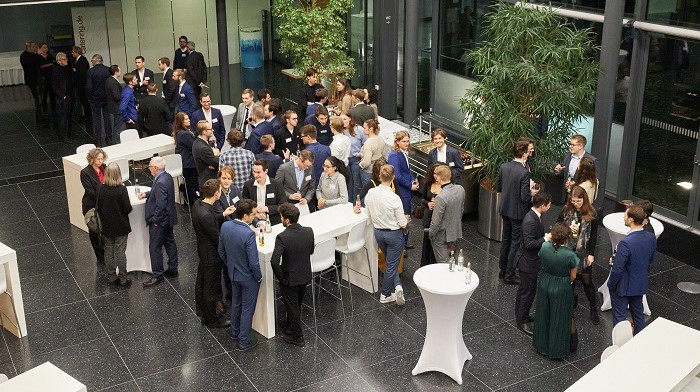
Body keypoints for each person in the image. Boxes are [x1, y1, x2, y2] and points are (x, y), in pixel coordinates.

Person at [359, 164, 407, 305]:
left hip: (378, 233)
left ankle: (397, 286)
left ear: (379, 177)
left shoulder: (371, 193)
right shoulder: (394, 198)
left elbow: (368, 213)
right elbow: (402, 223)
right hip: (394, 235)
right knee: (392, 264)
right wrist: (406, 221)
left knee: (389, 261)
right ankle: (385, 295)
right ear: (393, 178)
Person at [218, 199, 262, 351]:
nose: (255, 217)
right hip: (248, 277)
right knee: (247, 309)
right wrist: (258, 276)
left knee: (236, 304)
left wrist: (231, 265)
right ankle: (244, 341)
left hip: (233, 274)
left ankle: (234, 332)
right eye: (253, 214)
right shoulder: (248, 234)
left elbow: (221, 251)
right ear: (245, 216)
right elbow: (254, 262)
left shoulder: (225, 226)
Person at [193, 179, 235, 328]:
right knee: (211, 288)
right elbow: (216, 237)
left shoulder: (198, 205)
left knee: (202, 284)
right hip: (211, 255)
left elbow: (210, 220)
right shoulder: (206, 215)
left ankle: (204, 313)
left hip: (203, 252)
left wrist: (223, 214)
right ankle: (213, 319)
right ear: (217, 193)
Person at [532, 222, 579, 360]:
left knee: (543, 314)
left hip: (545, 281)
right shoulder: (569, 254)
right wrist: (567, 281)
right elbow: (574, 275)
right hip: (561, 285)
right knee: (560, 317)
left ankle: (541, 345)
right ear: (566, 238)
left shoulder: (545, 247)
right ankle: (556, 350)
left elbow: (541, 258)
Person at [271, 203, 314, 347]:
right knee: (297, 304)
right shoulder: (309, 231)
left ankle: (298, 336)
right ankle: (290, 326)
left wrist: (281, 277)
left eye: (282, 217)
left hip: (289, 278)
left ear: (287, 220)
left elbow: (274, 262)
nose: (280, 219)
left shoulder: (282, 237)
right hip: (305, 274)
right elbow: (311, 250)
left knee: (292, 307)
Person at [609, 204, 657, 335]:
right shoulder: (651, 237)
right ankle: (638, 344)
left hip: (623, 286)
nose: (623, 217)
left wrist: (611, 284)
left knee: (619, 319)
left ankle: (620, 348)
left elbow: (618, 269)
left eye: (625, 215)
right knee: (638, 316)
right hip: (639, 283)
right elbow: (651, 259)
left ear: (630, 220)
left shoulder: (626, 243)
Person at [558, 185, 600, 324]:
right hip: (568, 250)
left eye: (578, 201)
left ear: (584, 199)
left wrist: (591, 254)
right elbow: (557, 224)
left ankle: (593, 308)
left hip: (583, 252)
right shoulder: (566, 211)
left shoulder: (591, 214)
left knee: (587, 281)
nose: (575, 204)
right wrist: (566, 228)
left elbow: (593, 236)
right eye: (573, 201)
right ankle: (569, 307)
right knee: (570, 280)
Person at [496, 139, 536, 285]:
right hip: (518, 212)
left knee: (505, 240)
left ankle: (502, 269)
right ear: (524, 153)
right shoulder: (524, 173)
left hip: (505, 208)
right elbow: (524, 197)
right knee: (515, 243)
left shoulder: (504, 166)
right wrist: (532, 191)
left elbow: (499, 187)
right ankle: (510, 274)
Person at [514, 192, 553, 336]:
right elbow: (530, 244)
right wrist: (545, 238)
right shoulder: (530, 221)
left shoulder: (535, 216)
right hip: (528, 263)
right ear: (542, 205)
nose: (549, 207)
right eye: (548, 205)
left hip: (528, 261)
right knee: (528, 292)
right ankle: (521, 320)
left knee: (524, 290)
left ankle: (521, 315)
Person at [138, 156, 179, 287]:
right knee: (169, 243)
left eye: (149, 166)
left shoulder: (160, 181)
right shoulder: (166, 176)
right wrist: (147, 193)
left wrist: (155, 220)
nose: (148, 168)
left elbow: (160, 205)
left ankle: (158, 275)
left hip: (160, 221)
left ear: (155, 168)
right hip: (169, 218)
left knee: (154, 247)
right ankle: (173, 269)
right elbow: (160, 193)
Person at [96, 162, 132, 287]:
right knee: (120, 252)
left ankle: (111, 276)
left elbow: (98, 206)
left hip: (106, 226)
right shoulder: (122, 190)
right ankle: (123, 277)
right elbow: (127, 209)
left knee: (108, 251)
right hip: (121, 226)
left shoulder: (100, 188)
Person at [387, 131, 420, 248]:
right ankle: (402, 246)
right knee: (404, 217)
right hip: (402, 192)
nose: (407, 143)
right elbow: (397, 176)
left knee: (407, 217)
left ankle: (404, 243)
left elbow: (405, 172)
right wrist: (410, 185)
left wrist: (412, 181)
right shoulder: (395, 155)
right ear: (397, 142)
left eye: (408, 141)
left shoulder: (403, 153)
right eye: (404, 141)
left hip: (406, 190)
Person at [428, 166, 465, 262]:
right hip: (455, 232)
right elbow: (461, 210)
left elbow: (436, 221)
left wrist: (431, 234)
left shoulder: (440, 197)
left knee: (443, 263)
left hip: (441, 235)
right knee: (453, 260)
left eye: (436, 175)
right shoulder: (460, 189)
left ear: (438, 177)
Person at [80, 148, 107, 264]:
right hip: (91, 205)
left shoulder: (104, 168)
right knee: (94, 229)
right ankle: (100, 257)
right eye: (98, 159)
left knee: (105, 229)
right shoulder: (85, 172)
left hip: (104, 203)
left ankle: (106, 253)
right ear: (92, 159)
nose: (100, 161)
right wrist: (106, 193)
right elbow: (90, 191)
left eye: (102, 159)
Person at [242, 160, 286, 225]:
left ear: (266, 171)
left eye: (258, 172)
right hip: (253, 221)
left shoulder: (276, 184)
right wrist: (255, 213)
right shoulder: (248, 185)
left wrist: (266, 209)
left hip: (273, 221)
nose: (255, 175)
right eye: (254, 172)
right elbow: (244, 204)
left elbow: (283, 205)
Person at [419, 163, 447, 266]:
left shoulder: (446, 187)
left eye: (438, 174)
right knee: (427, 240)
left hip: (439, 218)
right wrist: (428, 203)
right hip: (428, 216)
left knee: (438, 241)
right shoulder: (428, 184)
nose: (436, 176)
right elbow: (422, 198)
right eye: (434, 173)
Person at [173, 112, 198, 206]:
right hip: (189, 163)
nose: (189, 120)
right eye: (186, 119)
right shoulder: (183, 134)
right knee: (190, 184)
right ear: (181, 122)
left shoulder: (183, 132)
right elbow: (194, 146)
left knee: (190, 183)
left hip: (187, 162)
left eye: (188, 118)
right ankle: (193, 203)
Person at [85, 54, 111, 145]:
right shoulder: (108, 70)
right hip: (106, 97)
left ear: (95, 61)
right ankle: (109, 137)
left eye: (92, 61)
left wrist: (89, 97)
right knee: (107, 117)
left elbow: (89, 87)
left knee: (96, 118)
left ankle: (98, 139)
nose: (91, 62)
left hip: (95, 98)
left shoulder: (90, 71)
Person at [342, 113, 367, 202]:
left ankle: (356, 202)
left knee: (357, 183)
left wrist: (361, 154)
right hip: (345, 160)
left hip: (356, 159)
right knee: (348, 183)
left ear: (350, 119)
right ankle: (349, 202)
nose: (343, 121)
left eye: (345, 119)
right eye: (341, 119)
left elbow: (366, 144)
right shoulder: (341, 131)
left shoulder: (359, 129)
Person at [192, 120, 220, 189]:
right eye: (210, 129)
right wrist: (216, 155)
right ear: (204, 132)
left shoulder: (199, 142)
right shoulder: (203, 148)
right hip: (208, 183)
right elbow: (216, 163)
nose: (212, 130)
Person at [52, 52, 73, 142]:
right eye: (65, 59)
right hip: (63, 97)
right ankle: (63, 135)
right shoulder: (56, 70)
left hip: (68, 96)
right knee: (63, 117)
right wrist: (62, 96)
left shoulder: (65, 69)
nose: (66, 60)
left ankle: (67, 133)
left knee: (67, 116)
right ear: (60, 61)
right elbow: (55, 86)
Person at [358, 119, 386, 185]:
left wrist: (360, 165)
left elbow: (367, 162)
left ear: (370, 129)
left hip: (369, 172)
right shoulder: (380, 139)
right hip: (379, 170)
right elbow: (383, 154)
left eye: (364, 128)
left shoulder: (368, 143)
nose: (363, 130)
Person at [20, 41, 42, 123]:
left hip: (39, 78)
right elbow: (31, 63)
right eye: (33, 47)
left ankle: (42, 115)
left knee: (41, 97)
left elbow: (40, 61)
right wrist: (37, 54)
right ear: (28, 47)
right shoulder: (24, 56)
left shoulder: (34, 55)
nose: (34, 48)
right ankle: (40, 117)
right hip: (32, 80)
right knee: (37, 98)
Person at [37, 42, 55, 126]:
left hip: (51, 78)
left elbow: (52, 65)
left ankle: (54, 109)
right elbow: (38, 69)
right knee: (44, 96)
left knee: (52, 94)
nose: (46, 49)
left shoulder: (50, 56)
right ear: (40, 48)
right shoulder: (38, 57)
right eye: (44, 47)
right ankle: (45, 111)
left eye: (46, 47)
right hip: (44, 80)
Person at [105, 65, 124, 144]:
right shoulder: (113, 82)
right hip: (117, 107)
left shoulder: (109, 80)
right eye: (119, 70)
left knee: (117, 126)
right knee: (118, 127)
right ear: (116, 72)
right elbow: (117, 96)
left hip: (113, 106)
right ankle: (117, 142)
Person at [71, 46, 90, 121]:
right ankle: (86, 114)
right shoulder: (77, 60)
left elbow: (82, 74)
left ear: (76, 52)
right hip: (80, 84)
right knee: (83, 100)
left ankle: (88, 116)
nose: (72, 53)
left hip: (82, 85)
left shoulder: (82, 60)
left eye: (73, 52)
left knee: (85, 100)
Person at [158, 57, 177, 122]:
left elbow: (172, 88)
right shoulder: (165, 73)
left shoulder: (170, 73)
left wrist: (168, 99)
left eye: (159, 64)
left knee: (170, 118)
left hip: (170, 101)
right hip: (168, 100)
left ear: (164, 64)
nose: (159, 66)